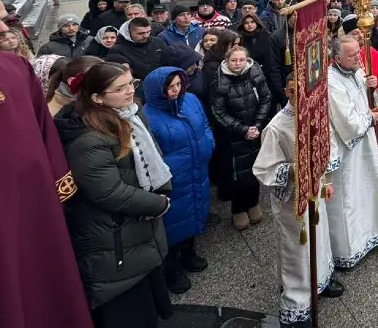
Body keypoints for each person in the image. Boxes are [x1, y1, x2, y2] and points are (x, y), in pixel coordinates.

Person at [0, 0, 93, 328]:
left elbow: (44, 129)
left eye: (3, 19)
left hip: (34, 205)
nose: (4, 29)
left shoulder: (15, 66)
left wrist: (58, 186)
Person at [55, 62, 173, 328]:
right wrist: (157, 203)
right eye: (120, 88)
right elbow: (109, 191)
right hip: (113, 241)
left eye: (131, 83)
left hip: (134, 233)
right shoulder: (89, 139)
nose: (130, 91)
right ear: (97, 98)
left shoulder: (129, 116)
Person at [255, 73, 345, 327]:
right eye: (292, 90)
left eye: (302, 90)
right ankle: (296, 303)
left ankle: (322, 278)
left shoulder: (314, 115)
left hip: (315, 191)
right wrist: (294, 170)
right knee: (297, 249)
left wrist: (327, 180)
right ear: (286, 91)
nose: (298, 95)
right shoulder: (276, 127)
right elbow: (264, 169)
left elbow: (325, 147)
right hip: (291, 200)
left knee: (321, 238)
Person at [142, 66, 215, 295]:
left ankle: (189, 253)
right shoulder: (148, 116)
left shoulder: (190, 100)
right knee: (173, 222)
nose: (175, 90)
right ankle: (172, 268)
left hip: (198, 169)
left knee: (195, 210)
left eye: (178, 84)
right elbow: (152, 152)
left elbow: (204, 124)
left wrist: (209, 145)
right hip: (175, 178)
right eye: (170, 87)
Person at [327, 36, 378, 267]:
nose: (358, 57)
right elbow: (349, 123)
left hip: (366, 143)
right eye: (352, 54)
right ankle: (351, 248)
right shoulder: (332, 82)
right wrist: (370, 118)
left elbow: (367, 100)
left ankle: (372, 233)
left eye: (358, 52)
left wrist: (371, 89)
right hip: (349, 149)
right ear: (337, 58)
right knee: (351, 197)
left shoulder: (356, 71)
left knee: (367, 188)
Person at [210, 46, 272, 230]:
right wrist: (243, 129)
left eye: (241, 60)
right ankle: (238, 209)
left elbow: (266, 98)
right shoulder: (219, 81)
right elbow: (218, 111)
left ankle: (253, 202)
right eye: (234, 60)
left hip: (255, 128)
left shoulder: (255, 73)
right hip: (233, 135)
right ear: (227, 61)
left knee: (254, 168)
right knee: (237, 174)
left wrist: (258, 125)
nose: (238, 64)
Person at [342, 15, 378, 197]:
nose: (359, 36)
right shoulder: (340, 61)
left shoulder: (371, 53)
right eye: (354, 33)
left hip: (375, 115)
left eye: (361, 32)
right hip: (355, 116)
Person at [106, 18, 167, 88]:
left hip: (164, 84)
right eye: (140, 33)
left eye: (148, 32)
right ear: (128, 32)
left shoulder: (158, 42)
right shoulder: (117, 49)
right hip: (137, 88)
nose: (145, 36)